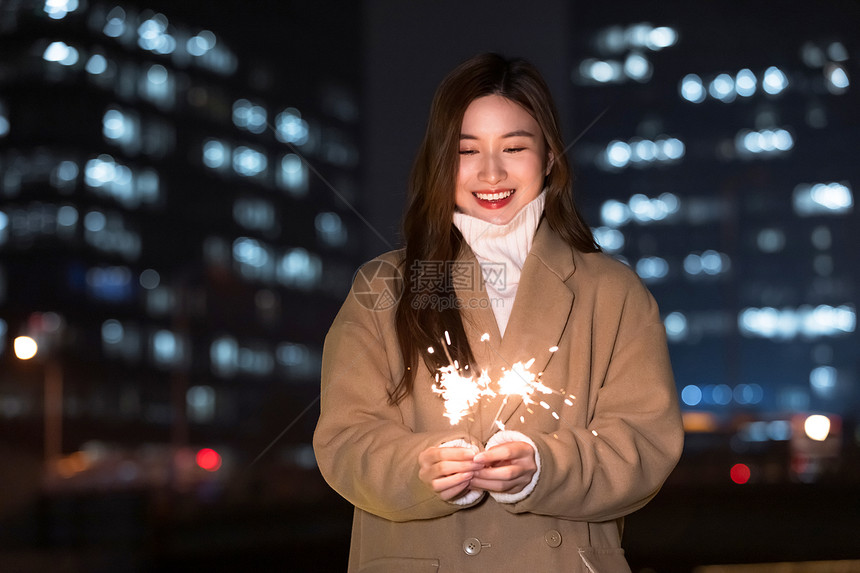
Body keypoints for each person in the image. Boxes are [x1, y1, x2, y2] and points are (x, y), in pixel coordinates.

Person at [313, 53, 683, 572]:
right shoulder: (384, 287)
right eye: (467, 151)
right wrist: (421, 468)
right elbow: (344, 441)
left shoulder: (612, 291)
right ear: (441, 161)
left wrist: (544, 467)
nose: (491, 171)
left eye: (514, 147)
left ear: (550, 155)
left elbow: (646, 443)